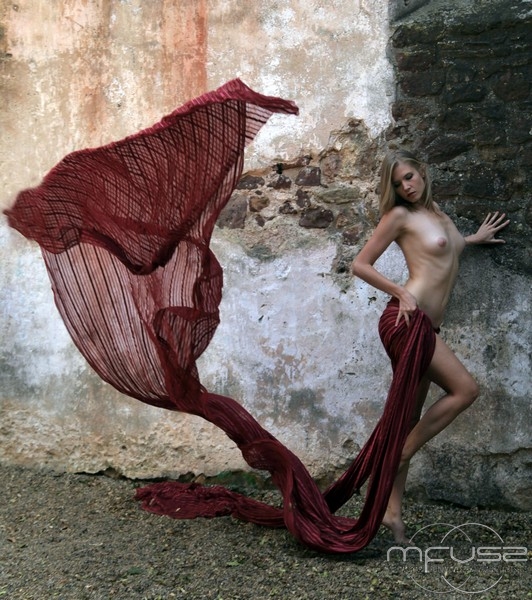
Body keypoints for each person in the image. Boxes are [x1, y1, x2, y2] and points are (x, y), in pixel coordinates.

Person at [351, 149, 510, 543]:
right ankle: (399, 455)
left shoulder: (438, 213)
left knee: (409, 416)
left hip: (427, 327)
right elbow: (360, 264)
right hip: (406, 321)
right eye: (398, 183)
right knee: (465, 390)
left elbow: (442, 252)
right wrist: (401, 292)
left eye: (409, 176)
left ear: (422, 172)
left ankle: (392, 514)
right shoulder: (399, 216)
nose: (407, 186)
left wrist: (471, 239)